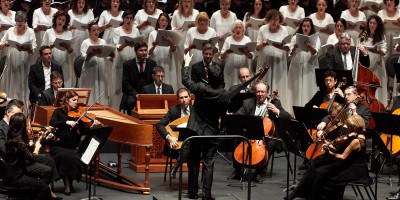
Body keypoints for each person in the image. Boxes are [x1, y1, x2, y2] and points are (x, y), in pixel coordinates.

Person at [182, 51, 255, 200]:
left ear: (208, 76)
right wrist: (222, 127)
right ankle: (206, 195)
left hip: (196, 129)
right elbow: (223, 114)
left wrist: (186, 63)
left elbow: (185, 80)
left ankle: (192, 192)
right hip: (211, 131)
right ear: (220, 77)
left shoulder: (201, 87)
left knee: (194, 161)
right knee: (209, 163)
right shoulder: (223, 94)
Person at [287, 114, 369, 200]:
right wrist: (330, 146)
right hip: (348, 163)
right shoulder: (355, 135)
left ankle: (317, 197)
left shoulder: (356, 140)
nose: (347, 128)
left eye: (349, 127)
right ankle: (305, 194)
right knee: (315, 165)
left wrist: (329, 151)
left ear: (354, 127)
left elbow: (342, 157)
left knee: (321, 172)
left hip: (354, 169)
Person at [232, 81, 291, 183]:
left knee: (271, 144)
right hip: (250, 132)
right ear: (255, 92)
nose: (260, 94)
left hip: (266, 135)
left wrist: (277, 111)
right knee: (237, 138)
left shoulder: (275, 102)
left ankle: (259, 172)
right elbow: (238, 116)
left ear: (267, 92)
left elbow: (287, 117)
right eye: (258, 92)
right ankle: (237, 171)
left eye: (262, 92)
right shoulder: (248, 102)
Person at [0, 100, 61, 199]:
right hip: (14, 164)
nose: (22, 116)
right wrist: (33, 147)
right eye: (19, 114)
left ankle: (44, 191)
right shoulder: (3, 128)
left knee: (48, 161)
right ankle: (40, 191)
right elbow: (4, 150)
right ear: (8, 113)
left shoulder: (16, 132)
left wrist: (38, 141)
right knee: (46, 172)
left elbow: (24, 147)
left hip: (20, 157)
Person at [49, 91, 101, 196]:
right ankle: (67, 183)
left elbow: (83, 131)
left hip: (72, 146)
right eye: (73, 100)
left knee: (75, 157)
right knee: (63, 156)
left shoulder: (79, 115)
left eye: (77, 100)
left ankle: (70, 181)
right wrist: (66, 122)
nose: (76, 102)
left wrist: (92, 127)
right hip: (58, 145)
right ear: (67, 100)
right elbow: (52, 122)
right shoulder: (58, 111)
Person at [255, 9, 290, 109]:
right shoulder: (262, 29)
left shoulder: (284, 30)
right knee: (264, 83)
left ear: (280, 20)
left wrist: (279, 45)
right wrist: (265, 43)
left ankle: (277, 108)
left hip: (279, 63)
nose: (274, 22)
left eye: (277, 19)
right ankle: (261, 107)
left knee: (277, 83)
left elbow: (287, 47)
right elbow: (257, 47)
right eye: (272, 19)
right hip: (265, 61)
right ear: (269, 19)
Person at [155, 87, 192, 178]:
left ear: (190, 97)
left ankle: (176, 167)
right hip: (176, 144)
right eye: (181, 98)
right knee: (189, 149)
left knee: (190, 145)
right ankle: (192, 184)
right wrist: (169, 137)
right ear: (177, 99)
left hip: (192, 142)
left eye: (186, 97)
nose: (184, 100)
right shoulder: (173, 110)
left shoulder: (195, 110)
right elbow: (159, 125)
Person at [287, 17, 320, 114]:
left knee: (308, 87)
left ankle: (308, 111)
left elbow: (315, 52)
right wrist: (295, 48)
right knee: (296, 88)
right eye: (304, 26)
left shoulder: (315, 38)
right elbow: (291, 53)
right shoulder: (295, 37)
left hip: (309, 66)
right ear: (301, 27)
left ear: (311, 27)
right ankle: (294, 111)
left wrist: (309, 46)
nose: (306, 28)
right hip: (297, 66)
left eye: (308, 26)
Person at [0, 11, 36, 100]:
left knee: (22, 86)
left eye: (22, 20)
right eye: (18, 20)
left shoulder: (30, 31)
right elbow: (0, 45)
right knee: (11, 86)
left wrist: (26, 48)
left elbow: (34, 48)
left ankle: (22, 107)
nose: (20, 22)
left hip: (24, 66)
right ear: (15, 21)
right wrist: (5, 44)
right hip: (11, 65)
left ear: (25, 21)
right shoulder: (10, 30)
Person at [110, 10, 140, 109]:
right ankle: (116, 107)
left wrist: (134, 43)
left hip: (132, 59)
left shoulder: (135, 30)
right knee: (118, 84)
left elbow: (139, 44)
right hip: (120, 59)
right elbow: (116, 47)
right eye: (127, 18)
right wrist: (125, 44)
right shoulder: (117, 30)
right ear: (123, 19)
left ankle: (130, 107)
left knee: (131, 83)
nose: (129, 20)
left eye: (131, 18)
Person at [79, 22, 115, 105]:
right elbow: (83, 57)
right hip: (90, 70)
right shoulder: (85, 42)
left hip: (102, 70)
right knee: (91, 92)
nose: (96, 32)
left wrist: (111, 56)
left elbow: (107, 56)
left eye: (98, 30)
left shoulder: (103, 41)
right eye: (93, 30)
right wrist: (91, 54)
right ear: (89, 32)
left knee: (102, 89)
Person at [122, 41, 157, 114]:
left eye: (145, 50)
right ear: (135, 51)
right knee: (130, 102)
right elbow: (126, 83)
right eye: (141, 50)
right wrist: (135, 94)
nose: (144, 52)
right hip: (133, 93)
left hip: (148, 93)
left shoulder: (152, 63)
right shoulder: (128, 64)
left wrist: (147, 93)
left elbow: (153, 81)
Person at [361, 14, 388, 106]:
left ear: (378, 25)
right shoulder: (364, 35)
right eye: (370, 23)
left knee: (377, 86)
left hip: (377, 64)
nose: (372, 25)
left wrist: (376, 51)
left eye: (374, 23)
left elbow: (384, 52)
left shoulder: (381, 36)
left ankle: (379, 105)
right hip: (367, 63)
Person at [148, 13, 178, 90]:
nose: (164, 22)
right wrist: (154, 45)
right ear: (158, 21)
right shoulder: (153, 34)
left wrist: (170, 42)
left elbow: (174, 50)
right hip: (157, 60)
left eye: (166, 21)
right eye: (162, 20)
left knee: (168, 81)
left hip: (168, 61)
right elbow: (149, 52)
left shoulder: (171, 33)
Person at [220, 20, 253, 90]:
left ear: (243, 29)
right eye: (236, 27)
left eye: (240, 27)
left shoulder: (247, 39)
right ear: (233, 29)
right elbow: (221, 56)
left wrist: (245, 52)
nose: (238, 29)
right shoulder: (228, 39)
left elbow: (251, 56)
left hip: (243, 70)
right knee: (229, 89)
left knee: (243, 89)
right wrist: (227, 52)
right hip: (230, 70)